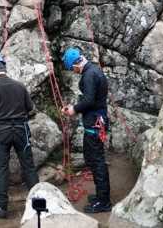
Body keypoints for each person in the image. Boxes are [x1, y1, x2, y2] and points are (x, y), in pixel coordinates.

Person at [0, 55, 39, 219]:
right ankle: (38, 205)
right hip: (21, 128)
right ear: (4, 68)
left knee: (2, 167)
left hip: (2, 130)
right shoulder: (20, 86)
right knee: (28, 165)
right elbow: (30, 108)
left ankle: (1, 207)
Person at [61, 48, 111, 213]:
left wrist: (74, 109)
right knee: (92, 158)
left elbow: (89, 100)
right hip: (97, 120)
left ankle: (103, 202)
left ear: (75, 64)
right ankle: (101, 196)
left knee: (96, 161)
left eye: (71, 68)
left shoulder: (89, 75)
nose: (73, 72)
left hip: (95, 123)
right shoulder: (95, 70)